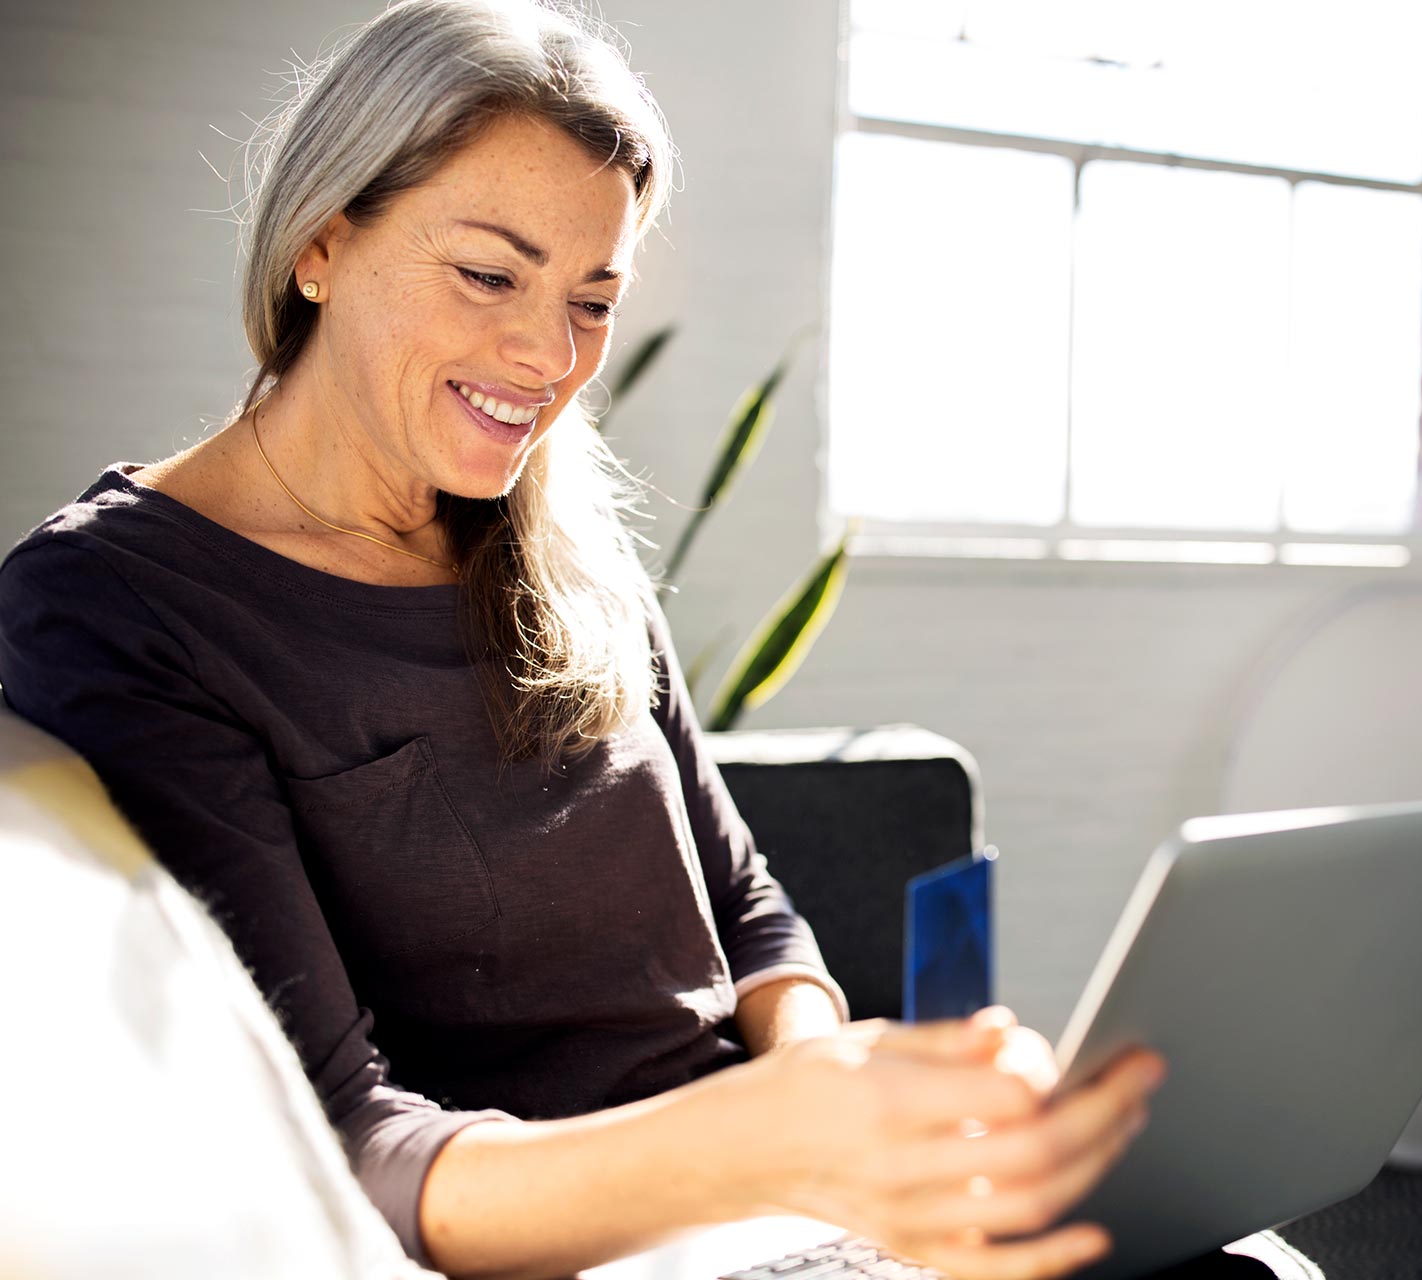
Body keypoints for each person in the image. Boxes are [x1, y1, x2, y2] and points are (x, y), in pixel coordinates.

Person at [0, 3, 1178, 1279]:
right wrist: (766, 1144)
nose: (547, 356)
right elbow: (345, 1147)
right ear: (322, 243)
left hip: (778, 1211)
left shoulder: (559, 539)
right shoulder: (118, 604)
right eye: (491, 275)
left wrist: (831, 1087)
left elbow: (745, 904)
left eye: (593, 298)